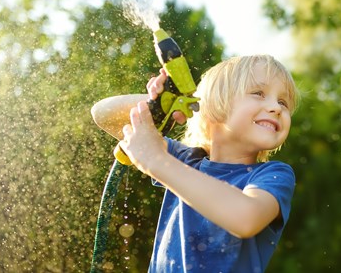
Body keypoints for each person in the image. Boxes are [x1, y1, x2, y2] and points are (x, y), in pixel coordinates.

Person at [91, 54, 299, 272]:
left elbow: (245, 218)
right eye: (258, 93)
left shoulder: (273, 175)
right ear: (212, 105)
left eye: (283, 102)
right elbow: (103, 114)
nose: (276, 107)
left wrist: (157, 161)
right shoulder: (186, 160)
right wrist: (163, 104)